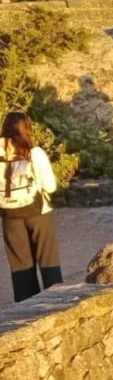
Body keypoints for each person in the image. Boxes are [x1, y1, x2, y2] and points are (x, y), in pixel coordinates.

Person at [0, 112, 61, 302]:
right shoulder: (34, 153)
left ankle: (27, 309)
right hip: (38, 212)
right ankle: (56, 304)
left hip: (9, 214)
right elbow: (50, 186)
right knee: (48, 262)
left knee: (20, 266)